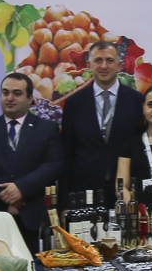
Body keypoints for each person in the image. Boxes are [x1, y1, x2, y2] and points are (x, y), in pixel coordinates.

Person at [0, 73, 64, 253]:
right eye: (5, 93)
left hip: (33, 218)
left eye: (17, 93)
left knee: (33, 270)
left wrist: (21, 188)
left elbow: (54, 165)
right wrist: (4, 194)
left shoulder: (47, 129)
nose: (9, 98)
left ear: (30, 98)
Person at [61, 41, 143, 193]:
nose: (104, 66)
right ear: (89, 65)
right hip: (85, 190)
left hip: (126, 190)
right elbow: (67, 152)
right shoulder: (74, 103)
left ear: (119, 65)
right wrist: (65, 200)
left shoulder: (137, 101)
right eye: (98, 60)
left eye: (109, 60)